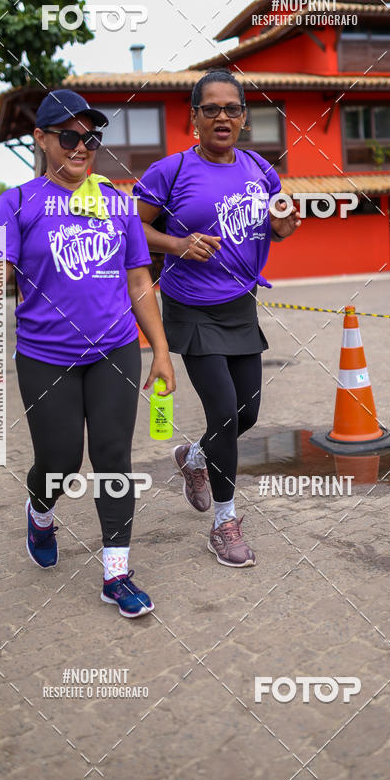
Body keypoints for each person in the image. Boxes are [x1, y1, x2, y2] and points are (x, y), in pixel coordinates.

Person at [0, 89, 175, 618]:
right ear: (42, 140)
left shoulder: (116, 202)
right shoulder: (17, 203)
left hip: (115, 350)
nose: (81, 146)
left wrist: (159, 350)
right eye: (68, 136)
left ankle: (116, 573)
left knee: (114, 457)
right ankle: (41, 511)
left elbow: (138, 279)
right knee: (61, 462)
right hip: (46, 356)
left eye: (90, 137)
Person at [134, 69, 300, 568]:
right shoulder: (171, 172)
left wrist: (284, 226)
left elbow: (275, 225)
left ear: (244, 117)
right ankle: (224, 521)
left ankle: (195, 458)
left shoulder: (259, 169)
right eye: (211, 109)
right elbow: (134, 230)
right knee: (224, 412)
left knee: (246, 414)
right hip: (190, 308)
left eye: (231, 108)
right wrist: (178, 244)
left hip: (240, 304)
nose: (222, 117)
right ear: (195, 118)